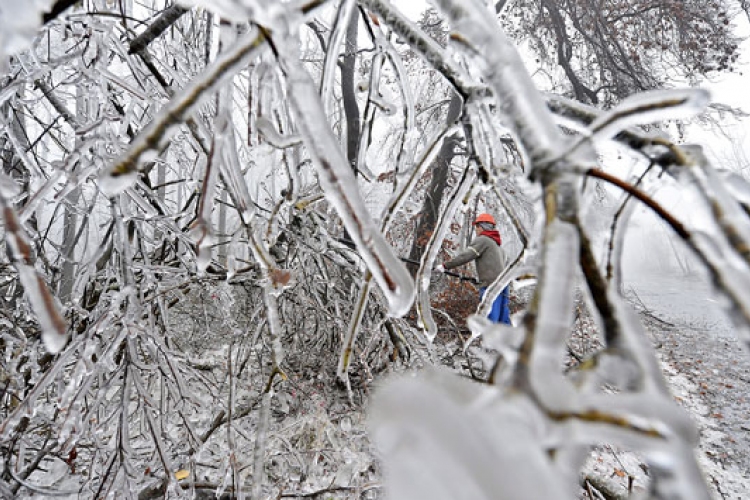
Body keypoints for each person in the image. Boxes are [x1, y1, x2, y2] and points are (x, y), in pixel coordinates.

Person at [435, 213, 511, 325]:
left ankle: (488, 342)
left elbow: (466, 256)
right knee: (503, 320)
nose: (476, 230)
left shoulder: (483, 240)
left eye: (477, 226)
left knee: (490, 318)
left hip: (490, 286)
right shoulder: (497, 246)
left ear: (482, 226)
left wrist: (445, 266)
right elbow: (500, 265)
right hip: (504, 285)